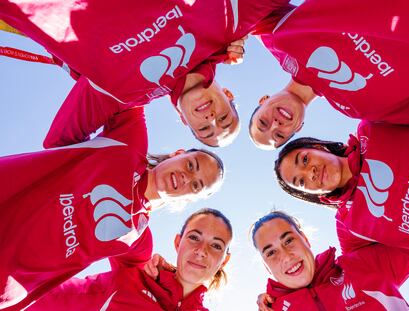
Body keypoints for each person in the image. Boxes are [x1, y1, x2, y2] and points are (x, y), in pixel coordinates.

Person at [0, 107, 224, 310]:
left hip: (7, 286)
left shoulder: (139, 242)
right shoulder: (129, 143)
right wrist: (185, 90)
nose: (187, 177)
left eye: (197, 185)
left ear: (189, 198)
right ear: (178, 153)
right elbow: (121, 78)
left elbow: (139, 285)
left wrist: (163, 273)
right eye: (191, 164)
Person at [0, 0, 294, 146]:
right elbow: (302, 23)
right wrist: (257, 29)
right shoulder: (225, 28)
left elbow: (59, 147)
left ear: (182, 119)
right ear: (228, 95)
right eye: (225, 119)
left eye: (205, 129)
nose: (211, 119)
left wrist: (136, 177)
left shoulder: (123, 93)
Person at [249, 0, 409, 149]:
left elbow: (240, 14)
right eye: (279, 135)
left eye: (263, 122)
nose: (275, 124)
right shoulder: (355, 108)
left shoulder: (278, 40)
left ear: (263, 100)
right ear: (298, 128)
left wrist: (231, 41)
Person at [26, 208, 232, 311]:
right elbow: (122, 202)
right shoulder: (139, 265)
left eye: (216, 245)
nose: (201, 250)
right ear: (178, 243)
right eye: (194, 237)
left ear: (224, 261)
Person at [274, 121, 409, 255]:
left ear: (318, 147)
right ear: (308, 193)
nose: (311, 173)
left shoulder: (372, 127)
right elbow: (361, 274)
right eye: (302, 182)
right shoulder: (348, 227)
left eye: (305, 160)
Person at [252, 210, 409, 311]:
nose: (286, 256)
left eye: (288, 241)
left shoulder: (363, 264)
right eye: (271, 252)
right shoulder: (272, 309)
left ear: (305, 239)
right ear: (267, 267)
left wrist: (346, 210)